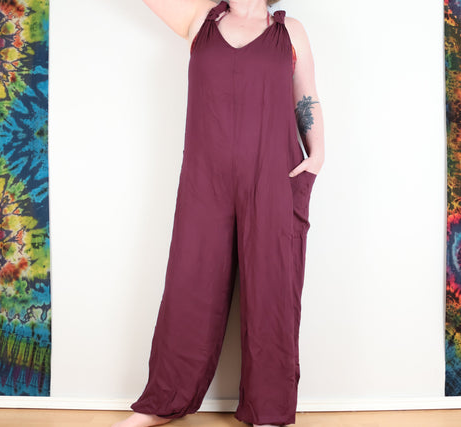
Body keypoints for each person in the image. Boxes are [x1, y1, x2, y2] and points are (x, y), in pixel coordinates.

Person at [112, 0, 324, 426]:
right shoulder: (200, 22)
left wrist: (317, 154)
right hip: (204, 179)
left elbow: (306, 97)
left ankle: (269, 410)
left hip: (273, 177)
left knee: (273, 292)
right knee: (190, 284)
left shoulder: (290, 32)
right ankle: (161, 403)